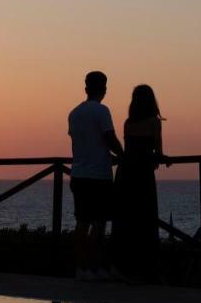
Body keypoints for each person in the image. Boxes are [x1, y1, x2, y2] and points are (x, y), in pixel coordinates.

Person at [67, 71, 123, 280]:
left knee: (82, 223)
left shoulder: (74, 113)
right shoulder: (101, 111)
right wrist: (123, 155)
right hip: (99, 175)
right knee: (99, 224)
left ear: (86, 88)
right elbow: (109, 138)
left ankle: (81, 269)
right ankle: (95, 267)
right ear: (104, 89)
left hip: (78, 174)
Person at [111, 84, 165, 282]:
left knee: (126, 219)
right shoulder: (154, 122)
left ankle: (122, 266)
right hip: (142, 173)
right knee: (144, 219)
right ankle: (143, 270)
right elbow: (157, 153)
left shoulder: (128, 122)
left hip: (125, 172)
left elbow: (127, 148)